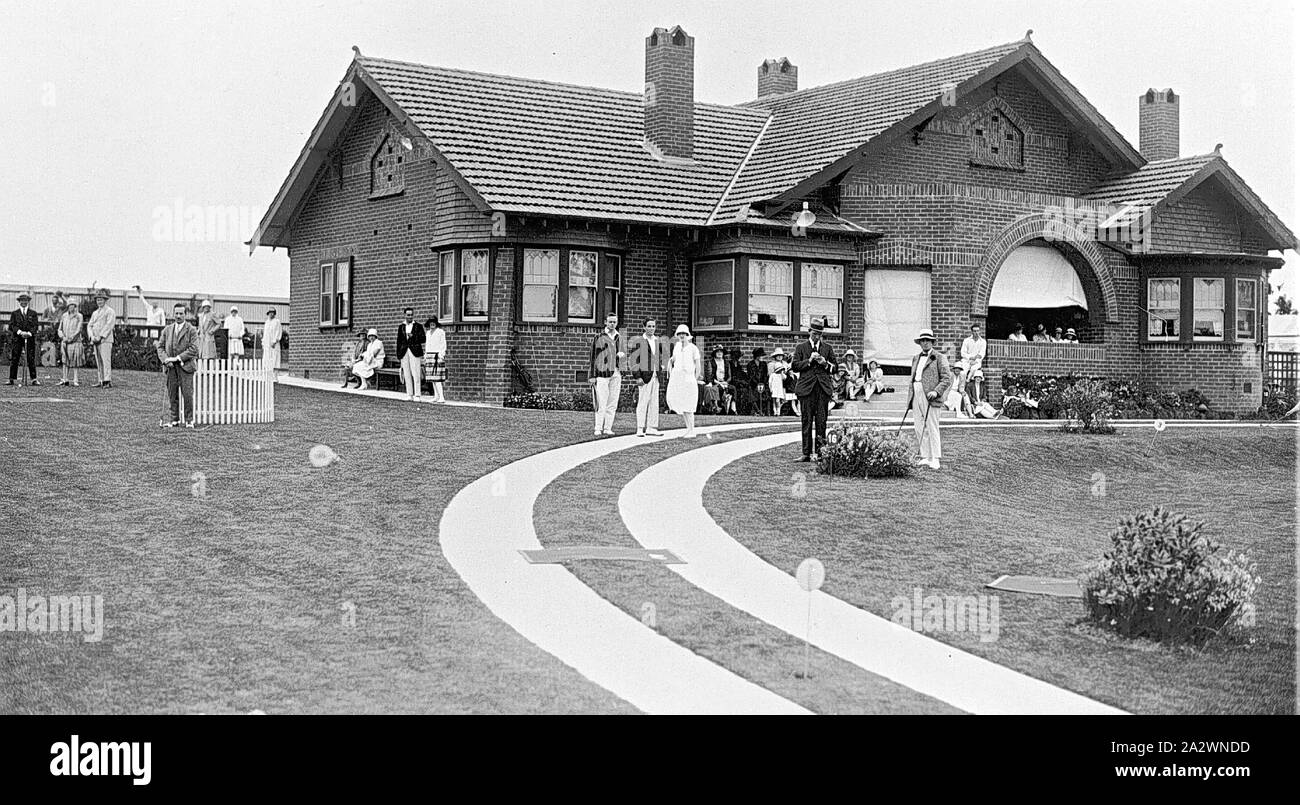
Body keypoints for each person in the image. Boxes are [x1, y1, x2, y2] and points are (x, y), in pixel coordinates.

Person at [906, 328, 953, 469]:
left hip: (930, 394)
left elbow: (947, 378)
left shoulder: (939, 357)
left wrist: (936, 392)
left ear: (932, 342)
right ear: (920, 343)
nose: (925, 343)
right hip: (916, 390)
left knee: (932, 425)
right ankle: (925, 456)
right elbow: (914, 377)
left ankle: (935, 458)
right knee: (919, 425)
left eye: (928, 340)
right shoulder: (916, 358)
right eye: (922, 341)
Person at [791, 318, 836, 462]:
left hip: (822, 389)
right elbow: (795, 366)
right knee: (806, 421)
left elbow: (835, 368)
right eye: (814, 333)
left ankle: (820, 453)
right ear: (809, 331)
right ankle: (806, 453)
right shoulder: (801, 348)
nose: (817, 336)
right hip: (806, 390)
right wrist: (809, 360)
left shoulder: (827, 348)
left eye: (819, 334)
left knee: (821, 422)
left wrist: (825, 363)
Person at [156, 303, 199, 428]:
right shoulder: (167, 330)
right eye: (176, 313)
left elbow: (194, 348)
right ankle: (174, 419)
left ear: (185, 315)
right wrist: (165, 360)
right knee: (172, 393)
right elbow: (160, 347)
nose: (178, 316)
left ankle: (189, 420)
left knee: (187, 394)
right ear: (173, 314)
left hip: (186, 366)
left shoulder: (191, 330)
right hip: (170, 367)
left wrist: (178, 358)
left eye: (181, 313)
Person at [588, 312, 624, 436]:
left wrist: (621, 358)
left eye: (614, 322)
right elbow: (592, 357)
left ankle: (608, 428)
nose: (612, 324)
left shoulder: (620, 337)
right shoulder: (599, 337)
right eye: (610, 322)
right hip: (602, 373)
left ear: (617, 323)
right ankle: (598, 428)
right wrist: (592, 376)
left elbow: (623, 354)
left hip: (616, 372)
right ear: (606, 322)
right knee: (601, 402)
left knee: (612, 402)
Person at [628, 318, 665, 437]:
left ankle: (651, 427)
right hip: (644, 376)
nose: (651, 328)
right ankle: (640, 427)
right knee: (643, 402)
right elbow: (634, 361)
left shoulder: (657, 341)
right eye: (649, 326)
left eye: (653, 326)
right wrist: (637, 377)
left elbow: (660, 356)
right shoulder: (639, 342)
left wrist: (661, 366)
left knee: (654, 402)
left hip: (656, 375)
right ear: (644, 327)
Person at [666, 324, 703, 437]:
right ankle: (688, 429)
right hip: (678, 379)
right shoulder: (677, 347)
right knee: (683, 404)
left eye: (684, 334)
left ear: (688, 335)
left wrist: (695, 379)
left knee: (689, 405)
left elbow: (698, 366)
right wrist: (670, 362)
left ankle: (692, 430)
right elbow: (674, 359)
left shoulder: (693, 348)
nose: (682, 336)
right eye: (680, 334)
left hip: (689, 379)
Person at [7, 292, 41, 385]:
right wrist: (20, 332)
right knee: (15, 357)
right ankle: (11, 378)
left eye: (25, 301)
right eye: (22, 300)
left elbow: (35, 326)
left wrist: (29, 333)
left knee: (31, 358)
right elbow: (11, 326)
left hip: (29, 338)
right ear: (19, 302)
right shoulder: (15, 313)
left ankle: (34, 379)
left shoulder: (33, 313)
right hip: (17, 339)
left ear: (28, 302)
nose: (24, 302)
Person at [395, 307, 425, 402]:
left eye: (411, 315)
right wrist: (399, 354)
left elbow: (423, 339)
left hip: (415, 351)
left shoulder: (418, 326)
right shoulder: (401, 326)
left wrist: (414, 336)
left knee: (416, 373)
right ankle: (409, 394)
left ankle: (417, 395)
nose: (410, 317)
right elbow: (399, 341)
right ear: (404, 315)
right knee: (407, 373)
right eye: (408, 315)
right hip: (404, 351)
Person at [88, 289, 116, 388]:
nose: (99, 302)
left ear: (105, 300)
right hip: (96, 339)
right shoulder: (95, 313)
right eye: (98, 300)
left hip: (105, 339)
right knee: (98, 360)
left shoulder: (110, 311)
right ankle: (100, 380)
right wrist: (92, 336)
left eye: (101, 300)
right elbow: (90, 325)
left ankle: (107, 380)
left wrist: (101, 336)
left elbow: (109, 325)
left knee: (106, 360)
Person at [57, 300, 84, 386]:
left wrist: (72, 338)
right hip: (65, 341)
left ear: (75, 306)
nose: (71, 307)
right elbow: (59, 329)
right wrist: (63, 337)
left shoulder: (79, 316)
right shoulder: (64, 316)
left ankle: (75, 379)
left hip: (75, 341)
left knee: (75, 360)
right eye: (69, 305)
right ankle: (65, 378)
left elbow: (79, 329)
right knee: (65, 360)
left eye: (73, 305)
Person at [422, 316, 448, 402]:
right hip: (429, 356)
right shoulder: (428, 333)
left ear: (436, 323)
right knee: (432, 378)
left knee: (437, 378)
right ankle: (436, 396)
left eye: (433, 322)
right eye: (430, 322)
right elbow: (427, 345)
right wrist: (426, 355)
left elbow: (443, 344)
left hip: (437, 356)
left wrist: (441, 356)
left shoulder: (440, 332)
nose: (432, 324)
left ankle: (442, 397)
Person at [960, 323, 987, 404]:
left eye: (978, 331)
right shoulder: (967, 340)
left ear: (980, 331)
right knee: (963, 372)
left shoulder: (983, 341)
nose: (976, 333)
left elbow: (982, 354)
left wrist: (975, 359)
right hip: (967, 360)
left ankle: (968, 381)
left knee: (974, 369)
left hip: (977, 361)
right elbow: (963, 353)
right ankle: (962, 388)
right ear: (972, 332)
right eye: (974, 331)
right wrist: (970, 358)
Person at [702, 346, 732, 414]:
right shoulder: (711, 362)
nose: (719, 353)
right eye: (717, 351)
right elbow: (710, 375)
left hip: (724, 382)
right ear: (714, 353)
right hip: (715, 382)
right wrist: (719, 383)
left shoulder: (727, 363)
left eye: (721, 351)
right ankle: (717, 407)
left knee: (733, 389)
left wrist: (726, 382)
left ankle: (733, 409)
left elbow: (730, 376)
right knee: (719, 388)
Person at [738, 347, 767, 415]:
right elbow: (751, 376)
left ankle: (763, 411)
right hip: (753, 384)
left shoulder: (764, 364)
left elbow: (765, 375)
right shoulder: (750, 364)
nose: (762, 357)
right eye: (760, 356)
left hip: (762, 384)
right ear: (757, 356)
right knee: (752, 393)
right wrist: (757, 384)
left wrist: (762, 383)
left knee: (765, 393)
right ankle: (757, 411)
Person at [767, 348, 790, 415]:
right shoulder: (771, 364)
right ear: (775, 356)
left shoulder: (785, 364)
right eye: (778, 355)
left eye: (781, 355)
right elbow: (770, 375)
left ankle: (781, 410)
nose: (780, 357)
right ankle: (775, 411)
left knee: (783, 398)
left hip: (784, 383)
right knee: (776, 399)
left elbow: (787, 374)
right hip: (775, 384)